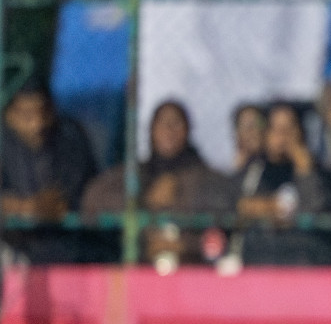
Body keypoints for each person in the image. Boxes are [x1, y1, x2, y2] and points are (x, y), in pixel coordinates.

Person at [81, 100, 227, 266]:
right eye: (162, 123)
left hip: (194, 270)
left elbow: (224, 225)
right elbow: (92, 200)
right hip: (140, 268)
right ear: (151, 130)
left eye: (176, 123)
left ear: (187, 130)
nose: (169, 130)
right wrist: (144, 198)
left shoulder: (206, 178)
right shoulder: (133, 174)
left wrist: (186, 245)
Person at [1, 84, 100, 263]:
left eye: (44, 112)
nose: (37, 124)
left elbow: (61, 201)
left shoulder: (70, 137)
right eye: (27, 116)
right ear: (10, 116)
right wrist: (25, 208)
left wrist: (38, 208)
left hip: (69, 247)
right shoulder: (4, 143)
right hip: (12, 247)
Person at [230, 102, 331, 267]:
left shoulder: (318, 171)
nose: (282, 135)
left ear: (300, 132)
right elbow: (234, 207)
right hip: (258, 260)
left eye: (288, 129)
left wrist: (305, 170)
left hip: (304, 260)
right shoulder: (252, 170)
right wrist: (264, 206)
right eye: (275, 128)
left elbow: (317, 211)